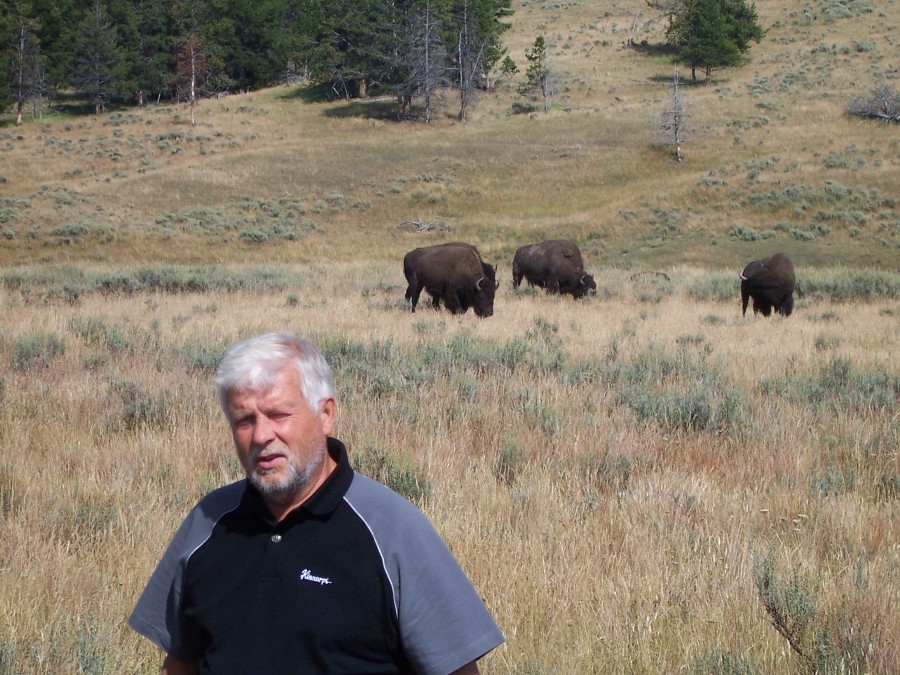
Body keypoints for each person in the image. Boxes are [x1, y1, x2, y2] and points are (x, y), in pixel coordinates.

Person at [129, 332, 504, 675]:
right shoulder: (208, 522)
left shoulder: (392, 530)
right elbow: (180, 663)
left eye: (278, 414)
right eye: (244, 420)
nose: (262, 435)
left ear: (326, 415)